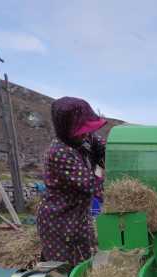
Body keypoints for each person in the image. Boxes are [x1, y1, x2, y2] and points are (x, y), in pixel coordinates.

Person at [37, 97, 107, 264]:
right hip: (59, 220)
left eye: (86, 130)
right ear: (65, 128)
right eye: (80, 131)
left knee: (84, 263)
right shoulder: (59, 152)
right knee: (62, 270)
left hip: (80, 217)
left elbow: (104, 147)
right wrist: (128, 198)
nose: (85, 134)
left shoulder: (84, 138)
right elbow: (91, 184)